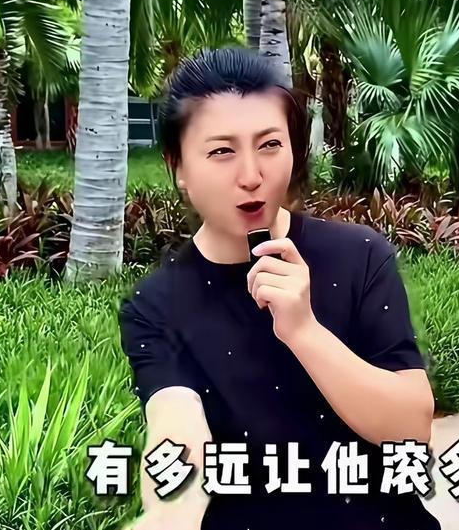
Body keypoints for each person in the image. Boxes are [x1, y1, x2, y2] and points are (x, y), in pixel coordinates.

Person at [118, 47, 441, 530]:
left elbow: (411, 428)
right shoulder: (157, 305)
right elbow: (176, 426)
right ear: (179, 166)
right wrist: (169, 515)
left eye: (270, 144)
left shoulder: (359, 256)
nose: (252, 176)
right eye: (222, 151)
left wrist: (304, 332)